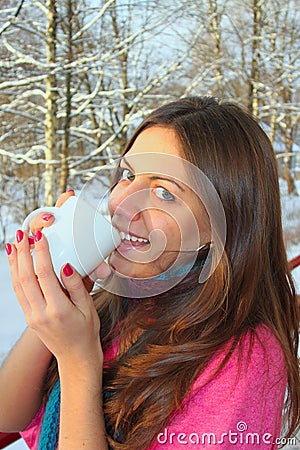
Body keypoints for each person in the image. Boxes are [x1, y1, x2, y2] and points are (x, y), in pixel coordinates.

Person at [0, 96, 299, 449]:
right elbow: (9, 415)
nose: (122, 203)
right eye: (129, 175)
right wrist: (57, 308)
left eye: (164, 193)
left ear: (221, 226)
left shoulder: (244, 363)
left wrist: (78, 361)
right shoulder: (123, 302)